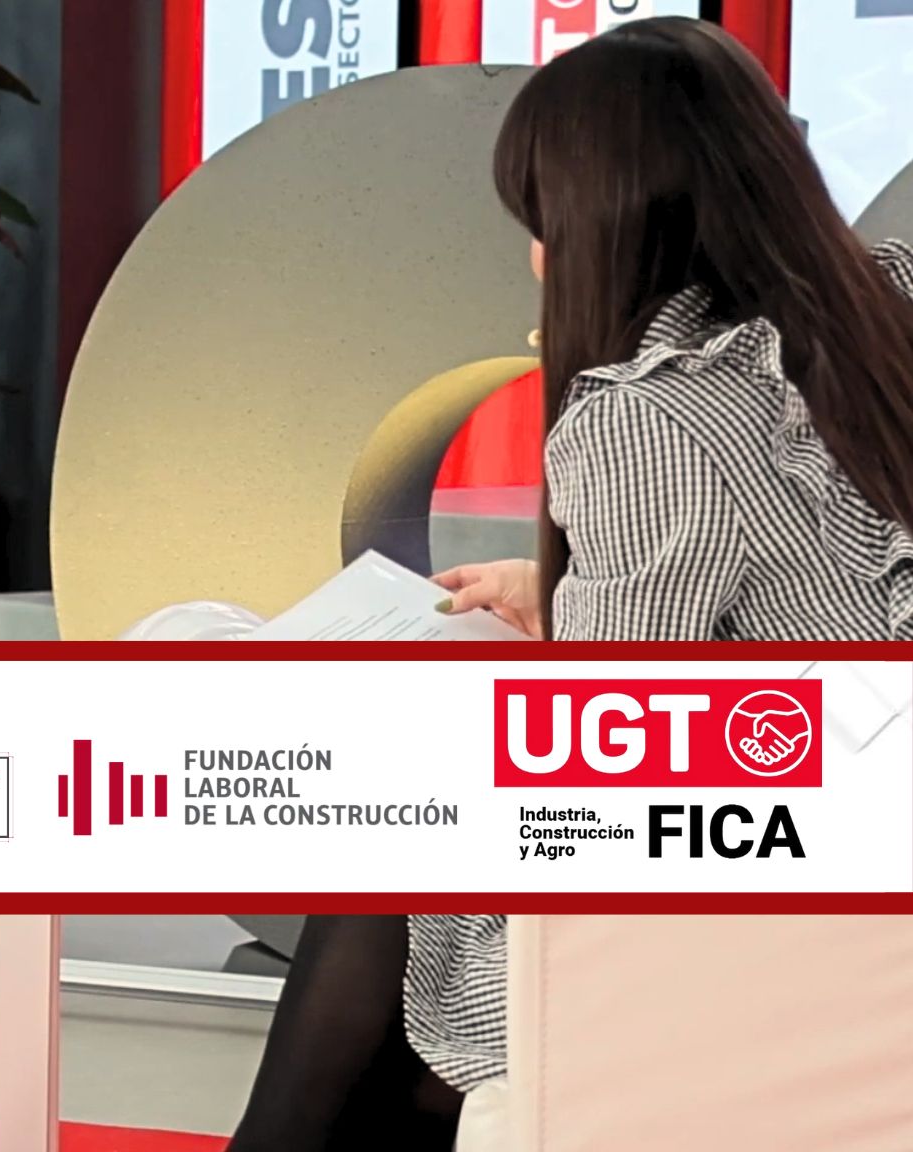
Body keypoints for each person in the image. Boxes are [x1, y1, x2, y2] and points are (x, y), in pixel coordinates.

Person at [232, 17, 913, 1149]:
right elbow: (823, 587)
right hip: (870, 842)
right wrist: (557, 592)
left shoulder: (646, 416)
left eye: (542, 223)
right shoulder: (884, 310)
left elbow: (609, 755)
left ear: (606, 223)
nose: (537, 260)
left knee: (392, 875)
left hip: (768, 892)